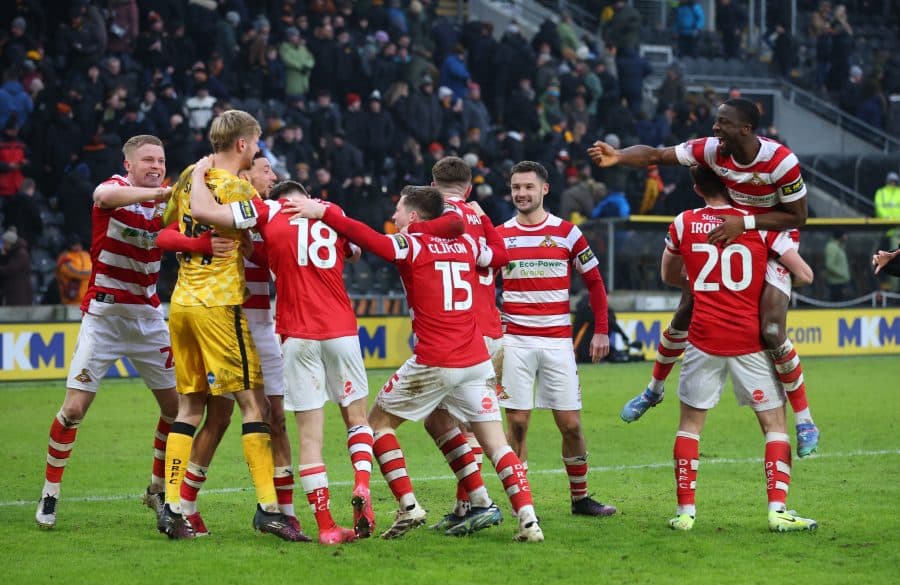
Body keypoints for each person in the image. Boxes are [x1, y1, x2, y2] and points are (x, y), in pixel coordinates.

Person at [288, 186, 544, 542]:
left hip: (435, 360)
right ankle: (528, 520)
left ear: (413, 216)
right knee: (496, 444)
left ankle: (408, 505)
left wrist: (324, 213)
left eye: (398, 210)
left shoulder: (413, 245)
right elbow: (495, 251)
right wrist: (480, 217)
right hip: (475, 359)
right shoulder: (468, 244)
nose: (393, 218)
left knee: (376, 423)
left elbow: (369, 238)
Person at [589, 97, 820, 458]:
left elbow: (798, 217)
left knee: (772, 331)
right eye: (715, 121)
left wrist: (744, 222)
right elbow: (656, 154)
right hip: (728, 232)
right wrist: (618, 155)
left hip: (771, 235)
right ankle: (653, 390)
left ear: (746, 128)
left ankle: (805, 419)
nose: (715, 128)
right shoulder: (712, 150)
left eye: (723, 122)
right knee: (687, 308)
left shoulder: (781, 162)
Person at [183, 171, 375, 545]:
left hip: (282, 329)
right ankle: (183, 506)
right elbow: (356, 250)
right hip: (261, 323)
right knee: (220, 417)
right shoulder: (316, 210)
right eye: (263, 168)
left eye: (272, 174)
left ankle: (302, 520)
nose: (268, 176)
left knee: (289, 428)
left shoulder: (266, 213)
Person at [158, 110, 304, 541]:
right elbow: (231, 223)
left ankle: (172, 509)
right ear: (242, 144)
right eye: (257, 144)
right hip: (219, 306)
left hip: (180, 305)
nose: (259, 151)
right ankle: (267, 509)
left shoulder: (188, 176)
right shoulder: (238, 189)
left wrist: (191, 240)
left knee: (190, 408)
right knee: (254, 407)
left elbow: (163, 231)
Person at [660, 165, 817, 532]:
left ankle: (685, 514)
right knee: (774, 425)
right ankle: (778, 511)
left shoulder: (683, 222)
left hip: (702, 340)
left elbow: (668, 275)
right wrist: (776, 271)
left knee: (689, 426)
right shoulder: (756, 224)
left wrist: (699, 277)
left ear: (697, 188)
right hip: (749, 342)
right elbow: (806, 274)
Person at [35, 135, 177, 529]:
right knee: (74, 409)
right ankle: (50, 492)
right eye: (147, 160)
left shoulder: (167, 205)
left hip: (148, 319)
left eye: (161, 160)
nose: (156, 166)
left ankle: (156, 488)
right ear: (128, 165)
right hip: (105, 317)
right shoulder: (114, 189)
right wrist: (167, 192)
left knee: (177, 410)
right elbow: (103, 195)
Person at [495, 160, 616, 517]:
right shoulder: (501, 235)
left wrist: (602, 330)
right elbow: (483, 282)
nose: (521, 194)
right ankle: (523, 503)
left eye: (528, 187)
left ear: (544, 190)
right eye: (516, 187)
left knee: (571, 424)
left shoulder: (568, 233)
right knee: (517, 423)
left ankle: (580, 498)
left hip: (558, 342)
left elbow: (594, 282)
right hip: (515, 341)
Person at [419, 156, 510, 532]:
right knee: (472, 426)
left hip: (458, 334)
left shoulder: (434, 218)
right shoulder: (477, 218)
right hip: (493, 332)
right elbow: (501, 257)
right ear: (469, 188)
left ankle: (479, 503)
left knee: (443, 421)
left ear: (431, 184)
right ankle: (467, 508)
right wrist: (485, 219)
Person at [56, 234, 92, 306]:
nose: (78, 246)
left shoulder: (86, 255)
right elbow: (74, 274)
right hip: (71, 302)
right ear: (69, 245)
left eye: (79, 244)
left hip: (87, 302)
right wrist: (91, 274)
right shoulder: (64, 257)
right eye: (75, 244)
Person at [0, 226, 32, 305]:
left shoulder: (21, 254)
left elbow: (8, 270)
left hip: (19, 294)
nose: (2, 245)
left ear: (10, 242)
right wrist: (3, 255)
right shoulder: (12, 253)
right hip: (12, 291)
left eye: (4, 242)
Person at [874, 171, 900, 251]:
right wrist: (886, 218)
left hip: (898, 228)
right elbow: (878, 207)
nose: (893, 183)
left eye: (894, 181)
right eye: (891, 180)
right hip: (884, 227)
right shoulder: (881, 192)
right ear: (887, 181)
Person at [824, 230, 850, 301]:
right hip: (836, 283)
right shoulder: (832, 247)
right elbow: (830, 265)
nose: (846, 237)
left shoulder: (839, 246)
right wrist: (842, 274)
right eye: (845, 235)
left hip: (841, 282)